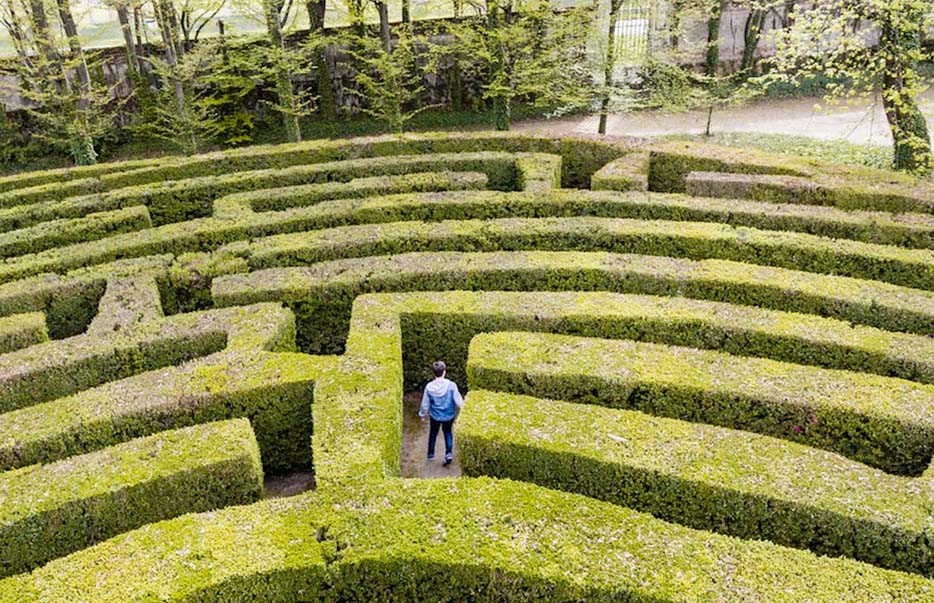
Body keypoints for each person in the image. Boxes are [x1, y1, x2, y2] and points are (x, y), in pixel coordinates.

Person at [419, 360, 464, 466]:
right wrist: (464, 410)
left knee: (433, 434)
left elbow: (425, 403)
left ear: (434, 372)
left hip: (435, 416)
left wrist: (422, 414)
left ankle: (431, 454)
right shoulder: (452, 386)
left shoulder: (429, 387)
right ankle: (448, 454)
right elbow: (458, 401)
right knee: (448, 433)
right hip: (449, 416)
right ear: (444, 371)